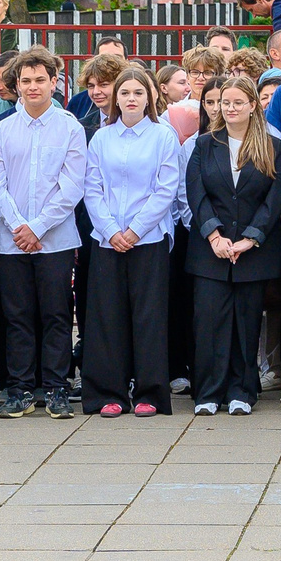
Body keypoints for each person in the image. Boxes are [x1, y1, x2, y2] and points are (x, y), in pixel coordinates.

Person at [0, 47, 86, 419]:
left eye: (39, 80)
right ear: (16, 84)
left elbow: (72, 186)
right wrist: (18, 227)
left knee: (57, 315)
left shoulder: (71, 128)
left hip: (55, 239)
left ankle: (57, 387)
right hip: (11, 242)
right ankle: (21, 387)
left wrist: (38, 226)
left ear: (54, 82)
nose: (32, 87)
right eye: (25, 81)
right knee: (17, 316)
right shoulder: (1, 129)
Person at [80, 66, 183, 417]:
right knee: (107, 317)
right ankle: (108, 392)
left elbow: (166, 188)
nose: (131, 99)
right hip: (107, 241)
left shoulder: (163, 136)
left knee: (148, 317)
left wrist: (136, 230)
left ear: (151, 96)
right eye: (125, 93)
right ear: (116, 98)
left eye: (139, 92)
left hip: (149, 239)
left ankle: (150, 393)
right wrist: (111, 231)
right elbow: (91, 188)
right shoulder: (101, 138)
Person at [186, 74, 281, 415]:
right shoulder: (204, 144)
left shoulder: (272, 146)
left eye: (237, 102)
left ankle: (242, 391)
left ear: (253, 105)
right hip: (210, 251)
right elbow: (196, 194)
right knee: (209, 321)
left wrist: (250, 238)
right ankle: (208, 392)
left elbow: (275, 197)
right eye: (224, 102)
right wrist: (214, 235)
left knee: (246, 324)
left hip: (252, 251)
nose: (229, 108)